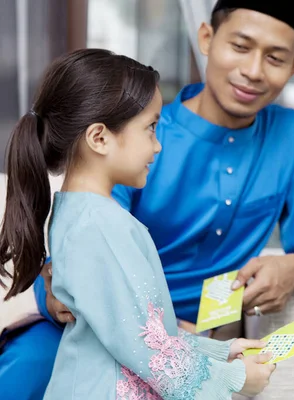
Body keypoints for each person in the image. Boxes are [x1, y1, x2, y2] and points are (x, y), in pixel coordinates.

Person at [0, 0, 294, 398]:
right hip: (103, 319)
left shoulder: (291, 136)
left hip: (189, 339)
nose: (253, 71)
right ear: (207, 38)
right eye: (241, 47)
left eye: (275, 57)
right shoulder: (138, 141)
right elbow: (96, 247)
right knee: (29, 369)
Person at [0, 48, 275, 399]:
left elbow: (144, 331)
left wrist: (222, 352)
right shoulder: (99, 226)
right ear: (99, 138)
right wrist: (232, 379)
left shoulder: (80, 214)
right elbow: (145, 347)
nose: (158, 146)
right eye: (150, 128)